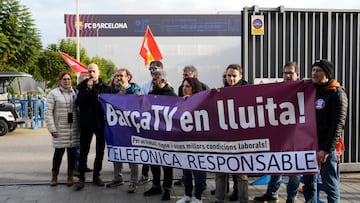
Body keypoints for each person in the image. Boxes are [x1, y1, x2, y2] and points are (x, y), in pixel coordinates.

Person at [253, 61, 301, 203]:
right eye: (285, 73)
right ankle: (272, 194)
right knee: (276, 166)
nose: (287, 75)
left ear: (297, 74)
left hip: (297, 136)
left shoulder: (305, 87)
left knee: (294, 170)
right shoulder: (278, 88)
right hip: (280, 135)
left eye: (290, 73)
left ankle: (291, 197)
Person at [303, 59, 348, 203]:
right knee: (309, 184)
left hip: (327, 149)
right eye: (313, 70)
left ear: (327, 74)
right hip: (310, 145)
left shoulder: (337, 94)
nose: (314, 73)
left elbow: (337, 125)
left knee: (330, 185)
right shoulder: (313, 89)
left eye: (318, 71)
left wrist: (326, 150)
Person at [214, 64, 248, 203]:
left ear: (240, 76)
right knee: (220, 172)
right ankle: (218, 199)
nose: (231, 78)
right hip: (224, 139)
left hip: (242, 139)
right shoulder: (221, 91)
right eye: (228, 76)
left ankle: (243, 200)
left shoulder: (249, 91)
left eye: (234, 76)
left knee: (241, 174)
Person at [75, 63, 112, 190]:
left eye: (93, 71)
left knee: (100, 151)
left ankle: (96, 175)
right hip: (86, 123)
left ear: (98, 72)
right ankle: (81, 178)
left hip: (100, 123)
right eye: (89, 71)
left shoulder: (105, 88)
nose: (91, 74)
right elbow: (78, 102)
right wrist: (88, 89)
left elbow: (113, 101)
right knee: (84, 150)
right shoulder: (82, 86)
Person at [106, 68, 141, 194]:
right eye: (117, 75)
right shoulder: (113, 89)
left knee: (132, 154)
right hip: (117, 127)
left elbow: (136, 102)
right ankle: (117, 177)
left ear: (128, 77)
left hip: (131, 127)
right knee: (117, 152)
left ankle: (133, 182)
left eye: (121, 75)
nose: (119, 78)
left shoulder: (135, 88)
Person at [143, 70, 177, 201]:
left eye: (155, 81)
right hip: (153, 134)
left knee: (167, 163)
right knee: (154, 161)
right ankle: (156, 185)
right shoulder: (151, 95)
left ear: (163, 81)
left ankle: (167, 188)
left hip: (167, 135)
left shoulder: (172, 95)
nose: (153, 83)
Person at [175, 65, 209, 188]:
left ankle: (201, 186)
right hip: (185, 133)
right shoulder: (180, 89)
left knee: (199, 164)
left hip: (198, 135)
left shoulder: (204, 87)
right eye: (183, 76)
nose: (184, 88)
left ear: (194, 76)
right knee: (186, 163)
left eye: (186, 75)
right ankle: (187, 188)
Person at [45, 72, 80, 187]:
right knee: (58, 154)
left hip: (73, 129)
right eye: (64, 79)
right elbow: (48, 113)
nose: (67, 81)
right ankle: (54, 176)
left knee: (72, 155)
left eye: (69, 79)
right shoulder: (53, 94)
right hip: (59, 130)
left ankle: (70, 177)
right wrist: (52, 129)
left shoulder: (75, 93)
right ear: (60, 81)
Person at [138, 60, 164, 185]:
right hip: (148, 123)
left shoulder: (167, 85)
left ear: (160, 69)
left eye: (154, 68)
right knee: (148, 151)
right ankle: (147, 176)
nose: (151, 71)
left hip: (161, 126)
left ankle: (165, 185)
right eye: (150, 69)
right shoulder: (145, 85)